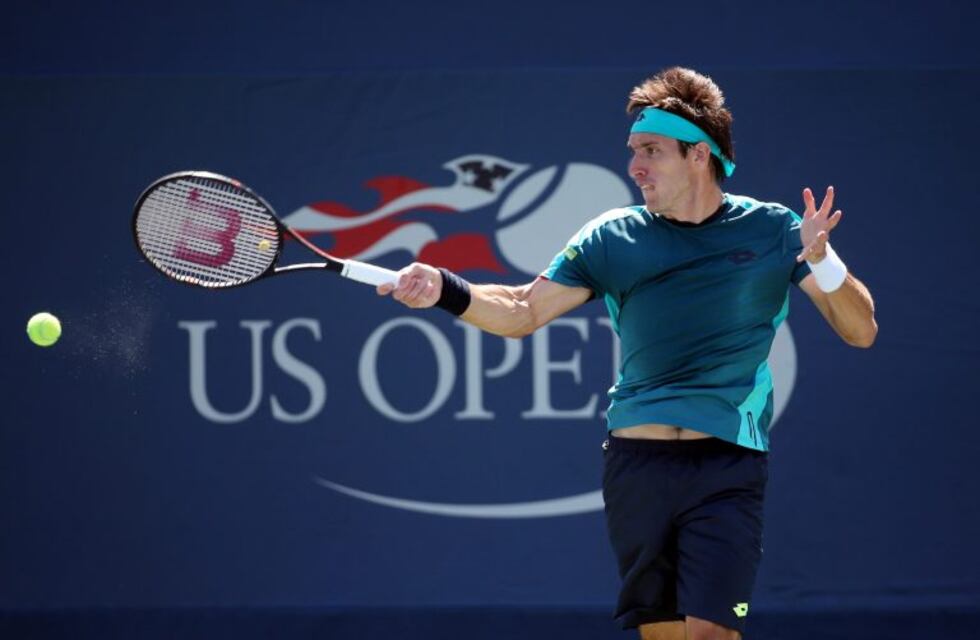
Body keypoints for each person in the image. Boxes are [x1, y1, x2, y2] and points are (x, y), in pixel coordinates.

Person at [376, 67, 878, 640]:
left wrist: (823, 261)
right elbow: (522, 310)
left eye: (651, 151)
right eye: (633, 151)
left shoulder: (775, 230)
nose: (635, 166)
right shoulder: (611, 237)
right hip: (638, 466)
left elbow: (861, 331)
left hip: (727, 465)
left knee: (712, 634)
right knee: (662, 636)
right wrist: (444, 289)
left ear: (699, 155)